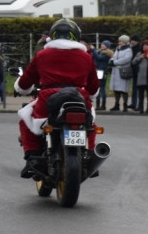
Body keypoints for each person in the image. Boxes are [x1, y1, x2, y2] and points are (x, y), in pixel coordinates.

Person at [15, 19, 99, 178]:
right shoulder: (86, 56)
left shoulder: (42, 54)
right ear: (76, 36)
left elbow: (25, 82)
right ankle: (88, 153)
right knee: (90, 124)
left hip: (48, 97)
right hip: (79, 96)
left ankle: (32, 158)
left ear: (52, 35)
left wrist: (20, 88)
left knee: (25, 118)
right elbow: (93, 88)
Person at [131, 39, 148, 114]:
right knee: (141, 93)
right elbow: (133, 62)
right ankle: (141, 108)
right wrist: (140, 57)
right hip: (140, 76)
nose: (145, 47)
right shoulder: (139, 53)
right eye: (144, 46)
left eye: (147, 46)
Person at [108, 35, 133, 111]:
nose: (119, 42)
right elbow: (114, 56)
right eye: (119, 41)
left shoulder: (128, 50)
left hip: (123, 71)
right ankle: (117, 104)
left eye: (121, 41)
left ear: (125, 42)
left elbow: (126, 59)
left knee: (124, 90)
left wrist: (115, 62)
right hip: (116, 71)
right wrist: (111, 60)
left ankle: (125, 105)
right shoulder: (118, 49)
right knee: (116, 89)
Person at [94, 40, 112, 110]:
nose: (101, 45)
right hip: (98, 71)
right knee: (98, 88)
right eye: (102, 44)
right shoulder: (100, 52)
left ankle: (103, 105)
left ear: (107, 46)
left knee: (101, 88)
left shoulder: (107, 54)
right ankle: (99, 105)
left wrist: (93, 50)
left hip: (102, 71)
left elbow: (99, 58)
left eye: (103, 44)